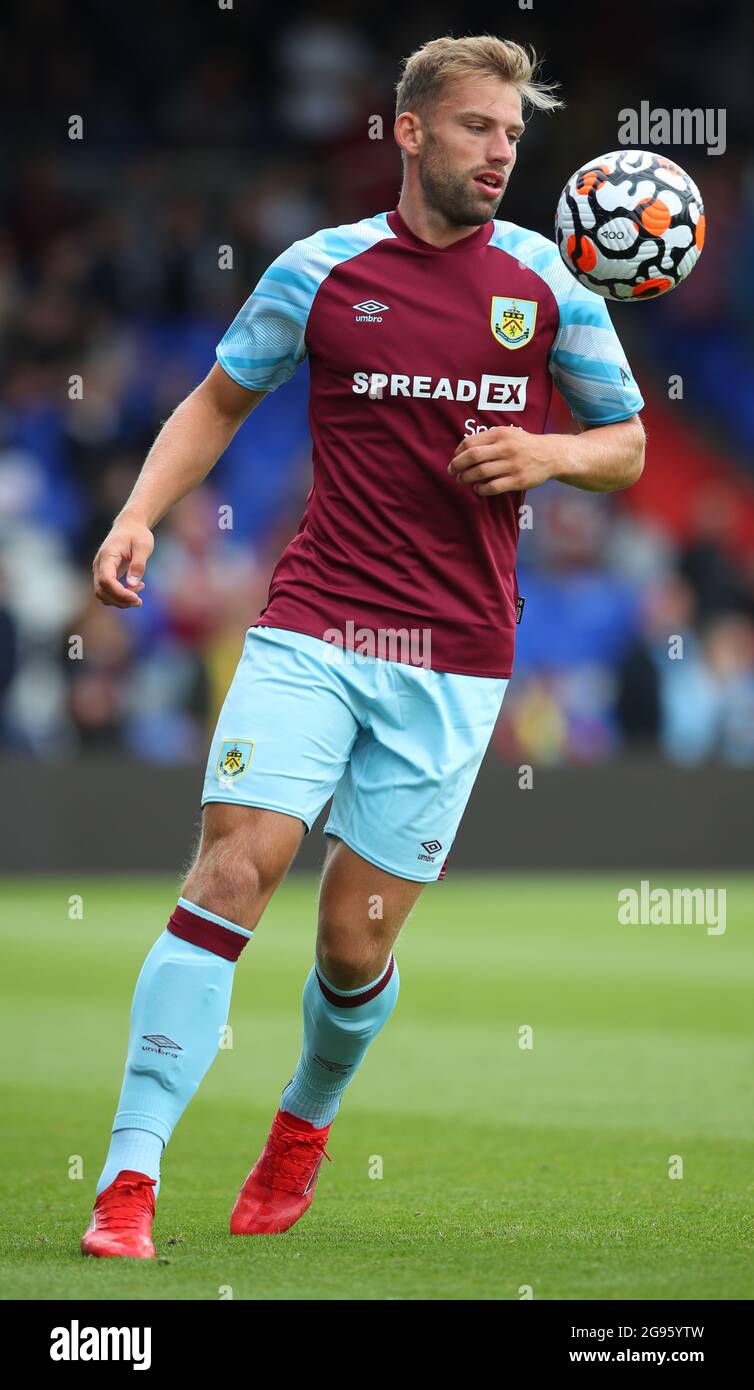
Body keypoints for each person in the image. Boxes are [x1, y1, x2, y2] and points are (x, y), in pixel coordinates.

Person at [82, 34, 645, 1258]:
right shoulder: (320, 273)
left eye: (511, 133)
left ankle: (305, 1121)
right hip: (314, 624)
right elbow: (220, 397)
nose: (501, 152)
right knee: (235, 870)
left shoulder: (552, 283)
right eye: (476, 128)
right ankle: (128, 1177)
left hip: (456, 654)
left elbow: (627, 444)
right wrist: (137, 513)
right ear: (408, 131)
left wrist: (547, 452)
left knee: (353, 944)